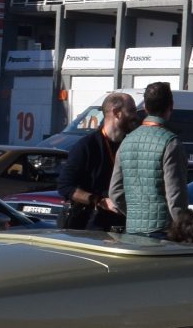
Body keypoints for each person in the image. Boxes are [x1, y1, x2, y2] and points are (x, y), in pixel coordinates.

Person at [108, 82, 191, 239]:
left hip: (132, 230)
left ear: (145, 107)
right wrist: (182, 227)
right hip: (163, 230)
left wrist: (135, 213)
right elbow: (175, 196)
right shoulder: (170, 143)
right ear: (171, 106)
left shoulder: (126, 141)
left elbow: (115, 192)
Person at [56, 92, 136, 231]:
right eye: (132, 111)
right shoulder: (87, 146)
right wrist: (99, 201)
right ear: (117, 113)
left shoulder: (131, 145)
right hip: (91, 227)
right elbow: (65, 186)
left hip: (125, 225)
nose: (136, 116)